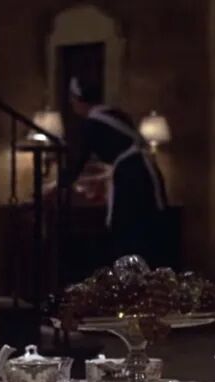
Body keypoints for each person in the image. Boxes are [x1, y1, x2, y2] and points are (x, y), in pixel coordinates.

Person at [59, 77, 168, 267]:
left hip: (131, 177)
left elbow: (78, 160)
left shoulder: (92, 123)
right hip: (140, 171)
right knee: (144, 227)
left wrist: (63, 182)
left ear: (78, 100)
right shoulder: (115, 114)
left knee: (128, 229)